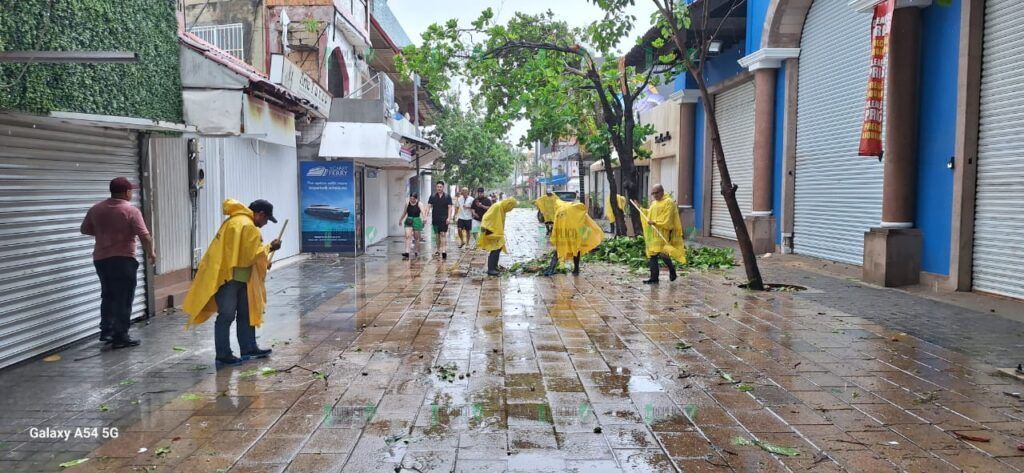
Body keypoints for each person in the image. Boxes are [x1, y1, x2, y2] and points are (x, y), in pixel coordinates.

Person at [183, 199, 282, 365]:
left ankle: (247, 348)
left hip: (231, 276)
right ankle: (226, 353)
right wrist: (270, 248)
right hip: (232, 279)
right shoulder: (248, 226)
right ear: (260, 214)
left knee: (242, 313)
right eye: (266, 220)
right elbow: (252, 256)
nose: (265, 224)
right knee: (228, 315)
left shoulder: (233, 221)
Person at [80, 177, 156, 349]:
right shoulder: (130, 211)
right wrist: (151, 252)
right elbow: (144, 235)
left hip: (101, 260)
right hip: (123, 260)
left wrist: (103, 232)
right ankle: (121, 335)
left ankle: (106, 331)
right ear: (127, 192)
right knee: (123, 297)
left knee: (108, 295)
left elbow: (84, 229)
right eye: (131, 191)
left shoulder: (96, 209)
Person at [639, 184, 686, 284]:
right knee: (652, 255)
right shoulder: (654, 203)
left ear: (662, 191)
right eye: (653, 193)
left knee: (662, 253)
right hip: (652, 233)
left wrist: (655, 222)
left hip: (662, 232)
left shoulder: (669, 202)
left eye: (656, 193)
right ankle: (654, 278)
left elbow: (668, 219)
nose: (655, 195)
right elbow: (649, 214)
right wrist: (641, 209)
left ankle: (672, 270)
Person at [544, 200, 603, 276]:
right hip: (574, 234)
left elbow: (556, 225)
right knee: (576, 249)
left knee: (559, 250)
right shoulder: (575, 211)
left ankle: (551, 269)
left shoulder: (560, 211)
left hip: (563, 234)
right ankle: (576, 269)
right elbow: (585, 224)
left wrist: (554, 236)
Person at [478, 197, 519, 276]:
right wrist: (484, 227)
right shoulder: (497, 206)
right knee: (495, 248)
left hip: (495, 231)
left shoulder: (502, 208)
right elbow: (486, 217)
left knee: (499, 246)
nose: (511, 209)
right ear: (509, 204)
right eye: (512, 207)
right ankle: (491, 269)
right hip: (488, 229)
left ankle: (494, 266)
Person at [426, 181, 454, 259]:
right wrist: (425, 216)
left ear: (443, 187)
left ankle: (444, 251)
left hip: (444, 219)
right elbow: (428, 206)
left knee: (443, 234)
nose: (439, 188)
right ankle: (438, 250)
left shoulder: (447, 196)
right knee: (437, 235)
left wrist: (449, 217)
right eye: (438, 187)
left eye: (440, 187)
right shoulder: (432, 196)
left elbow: (450, 207)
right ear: (436, 187)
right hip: (435, 218)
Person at [399, 193, 425, 259]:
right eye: (411, 198)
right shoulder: (407, 203)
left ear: (416, 199)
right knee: (408, 236)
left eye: (413, 199)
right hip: (409, 220)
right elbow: (404, 212)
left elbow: (423, 212)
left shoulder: (419, 204)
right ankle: (407, 252)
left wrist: (424, 218)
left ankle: (416, 250)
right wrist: (401, 219)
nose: (412, 200)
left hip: (417, 220)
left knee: (416, 237)